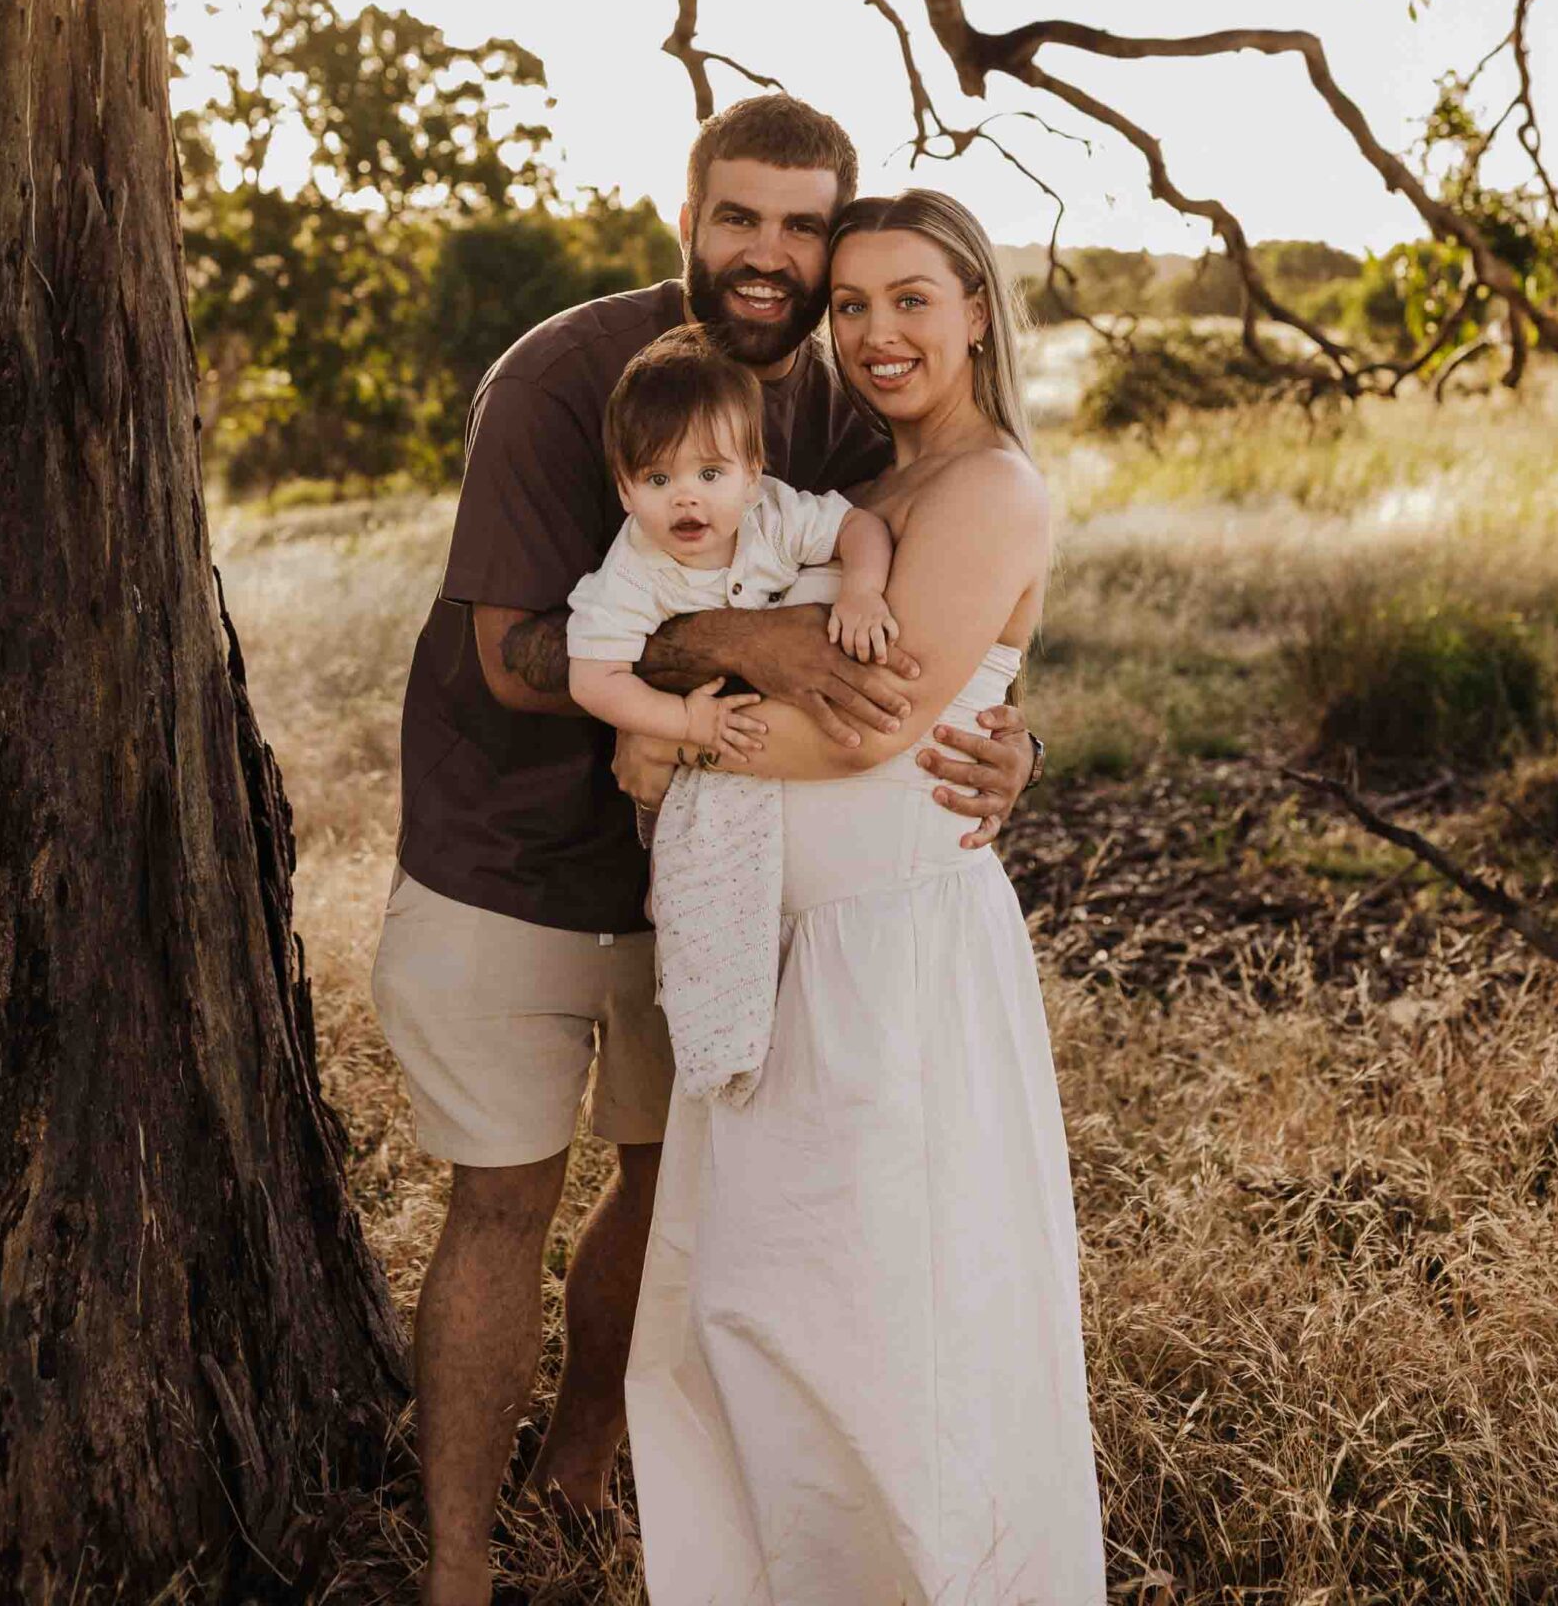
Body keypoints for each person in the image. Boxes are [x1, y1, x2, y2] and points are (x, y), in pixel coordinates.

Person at [373, 98, 1040, 1606]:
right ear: (686, 216)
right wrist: (735, 642)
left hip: (715, 911)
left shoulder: (832, 407)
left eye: (804, 227)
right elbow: (506, 654)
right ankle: (459, 1569)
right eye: (739, 216)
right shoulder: (564, 378)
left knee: (674, 1198)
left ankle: (587, 1478)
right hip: (513, 871)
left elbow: (947, 607)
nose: (770, 254)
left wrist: (1013, 737)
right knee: (502, 1202)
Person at [622, 188, 1106, 1606]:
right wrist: (701, 651)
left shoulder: (988, 486)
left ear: (973, 311)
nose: (877, 332)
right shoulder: (854, 492)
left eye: (910, 300)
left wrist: (670, 731)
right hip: (775, 951)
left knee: (892, 1330)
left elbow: (870, 729)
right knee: (756, 1316)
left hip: (888, 966)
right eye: (851, 306)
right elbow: (706, 635)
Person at [568, 325, 898, 1106]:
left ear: (753, 475)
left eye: (710, 472)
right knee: (701, 887)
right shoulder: (634, 568)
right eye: (656, 478)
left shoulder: (776, 517)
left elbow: (862, 527)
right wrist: (684, 722)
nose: (686, 496)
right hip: (705, 763)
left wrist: (861, 589)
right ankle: (722, 1031)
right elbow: (594, 676)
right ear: (623, 489)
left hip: (800, 766)